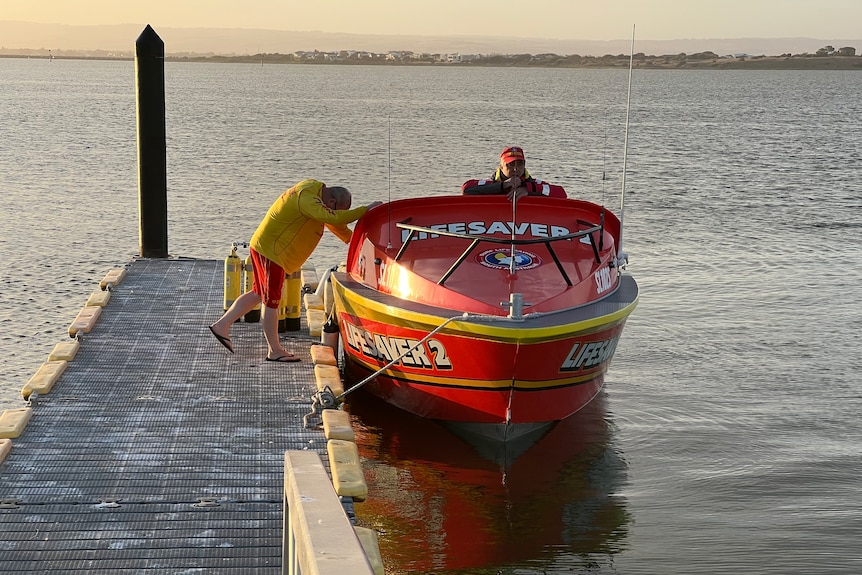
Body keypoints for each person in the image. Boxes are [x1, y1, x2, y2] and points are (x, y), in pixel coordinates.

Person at [208, 179, 381, 362]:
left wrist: (356, 242)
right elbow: (333, 218)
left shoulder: (316, 196)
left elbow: (334, 223)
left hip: (266, 248)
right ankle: (274, 350)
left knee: (259, 294)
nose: (334, 213)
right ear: (331, 202)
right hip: (272, 252)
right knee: (271, 301)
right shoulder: (307, 197)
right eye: (337, 210)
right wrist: (365, 209)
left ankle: (221, 325)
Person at [460, 146, 567, 200]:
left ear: (524, 165)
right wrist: (503, 186)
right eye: (510, 165)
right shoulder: (489, 183)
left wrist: (528, 190)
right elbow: (466, 188)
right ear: (501, 166)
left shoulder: (536, 184)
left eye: (519, 164)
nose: (516, 169)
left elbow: (561, 193)